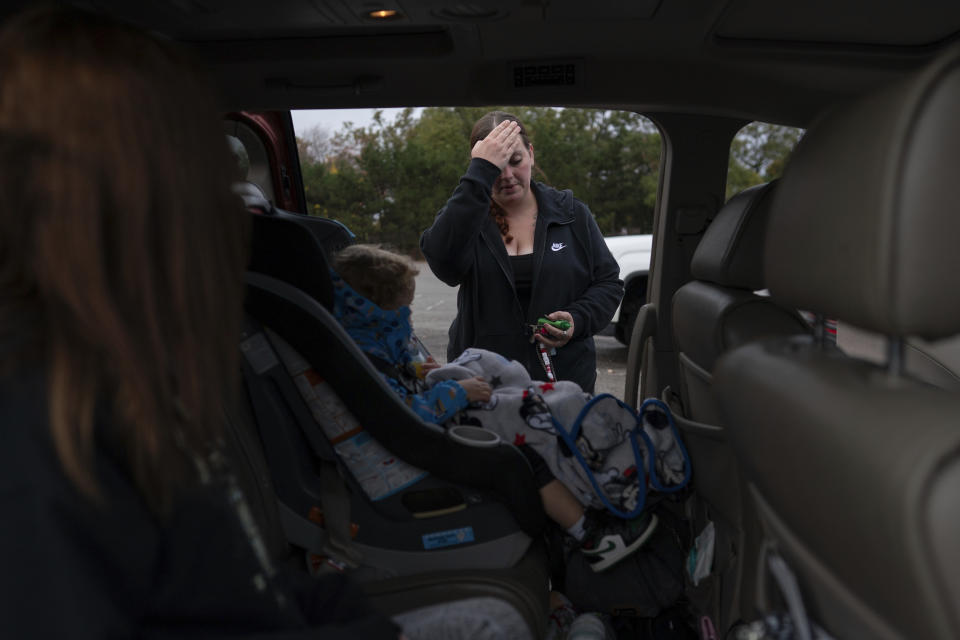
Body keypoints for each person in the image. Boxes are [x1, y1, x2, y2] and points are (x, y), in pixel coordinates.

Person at [0, 6, 400, 638]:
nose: (221, 202)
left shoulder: (117, 370)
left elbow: (234, 585)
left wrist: (341, 611)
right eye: (190, 165)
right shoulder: (42, 433)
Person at [331, 244, 672, 573]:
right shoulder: (364, 354)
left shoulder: (363, 338)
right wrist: (457, 391)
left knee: (499, 377)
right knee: (526, 448)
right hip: (420, 442)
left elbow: (395, 376)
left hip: (424, 425)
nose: (407, 315)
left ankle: (566, 424)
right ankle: (591, 536)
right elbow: (403, 411)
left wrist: (420, 371)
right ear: (376, 308)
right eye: (402, 309)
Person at [420, 111, 624, 394]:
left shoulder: (572, 213)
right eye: (494, 166)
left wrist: (577, 319)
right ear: (477, 167)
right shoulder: (465, 217)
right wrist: (478, 176)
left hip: (565, 383)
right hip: (484, 383)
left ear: (530, 154)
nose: (506, 175)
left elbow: (608, 284)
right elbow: (444, 266)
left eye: (515, 161)